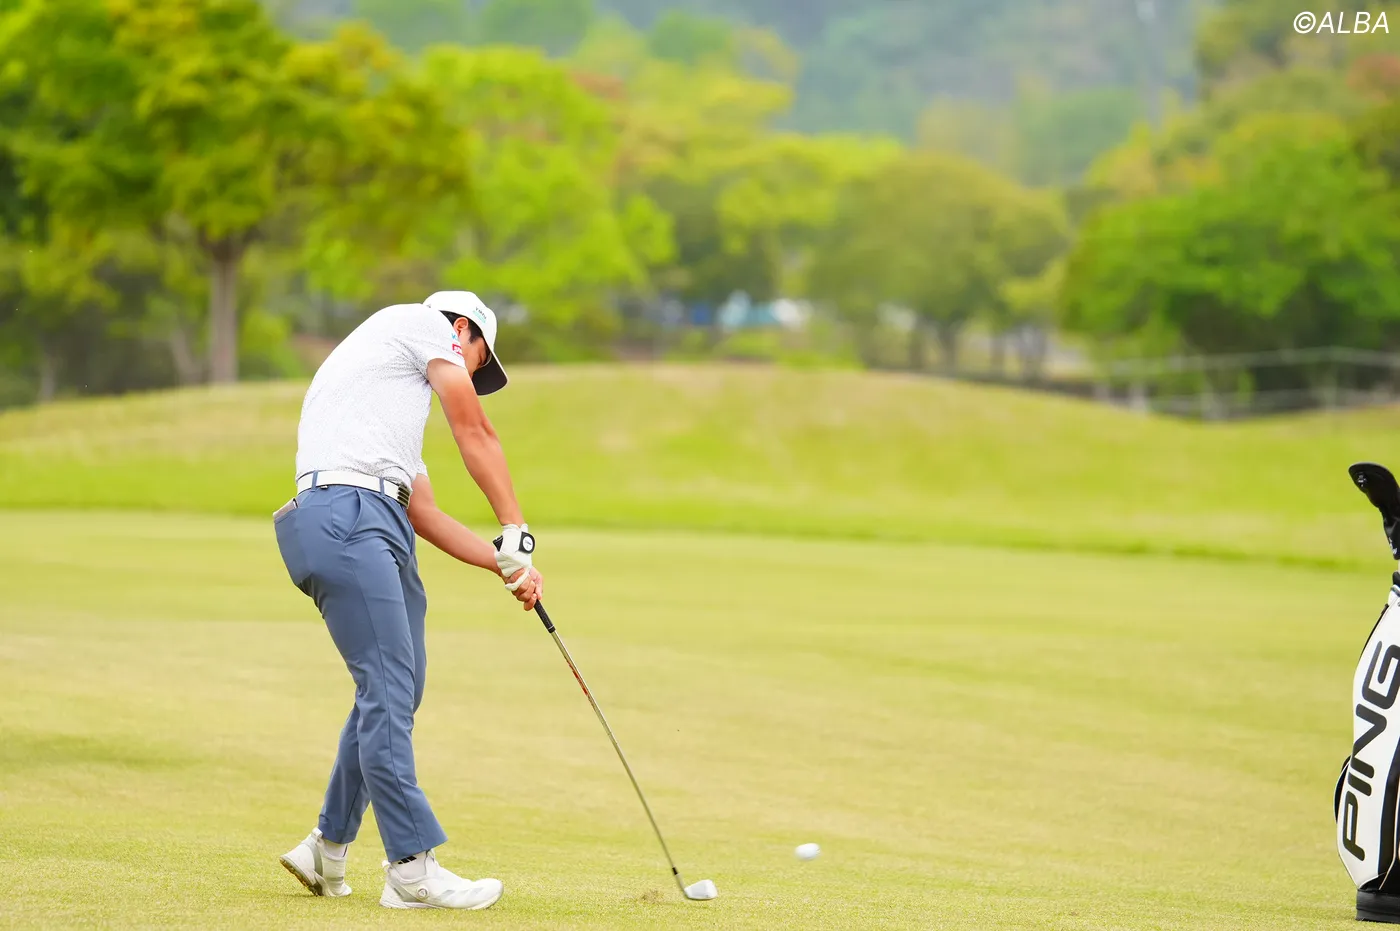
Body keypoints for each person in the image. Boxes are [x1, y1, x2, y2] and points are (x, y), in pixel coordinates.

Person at [272, 291, 541, 911]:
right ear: (462, 329)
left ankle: (326, 847)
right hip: (349, 515)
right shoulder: (420, 322)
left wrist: (505, 565)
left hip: (374, 519)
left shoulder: (382, 411)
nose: (468, 373)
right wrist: (515, 528)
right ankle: (411, 868)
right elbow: (474, 429)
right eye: (476, 360)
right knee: (388, 687)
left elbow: (426, 514)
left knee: (400, 684)